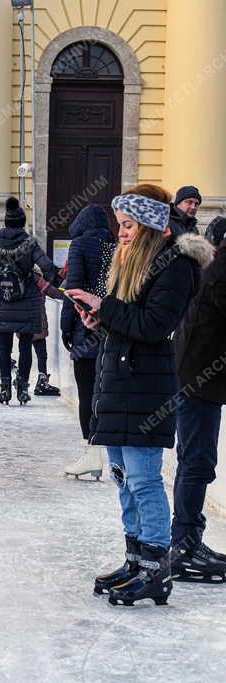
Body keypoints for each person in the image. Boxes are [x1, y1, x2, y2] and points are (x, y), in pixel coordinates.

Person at [66, 184, 212, 606]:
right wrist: (101, 321)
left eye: (128, 226)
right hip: (120, 383)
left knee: (144, 480)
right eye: (120, 226)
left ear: (149, 225)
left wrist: (103, 305)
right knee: (124, 481)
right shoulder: (136, 263)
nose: (122, 234)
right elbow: (131, 325)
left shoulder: (177, 266)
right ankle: (135, 560)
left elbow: (152, 326)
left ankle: (155, 570)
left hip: (147, 389)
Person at [170, 217, 226, 582]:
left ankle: (188, 539)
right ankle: (184, 544)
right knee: (196, 460)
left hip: (199, 376)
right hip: (198, 379)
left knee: (195, 459)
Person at [0, 197, 56, 406]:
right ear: (21, 222)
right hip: (28, 300)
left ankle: (4, 388)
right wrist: (39, 283)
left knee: (4, 346)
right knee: (26, 345)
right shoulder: (30, 243)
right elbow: (48, 268)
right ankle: (22, 389)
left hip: (4, 301)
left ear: (6, 222)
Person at [59, 205, 117, 479]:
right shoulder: (116, 244)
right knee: (105, 394)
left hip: (86, 327)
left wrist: (66, 328)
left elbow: (74, 289)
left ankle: (91, 453)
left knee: (87, 393)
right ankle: (111, 456)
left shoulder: (80, 243)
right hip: (112, 327)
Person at [31, 268, 62, 397]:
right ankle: (42, 382)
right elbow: (52, 292)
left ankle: (21, 379)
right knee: (41, 354)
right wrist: (68, 295)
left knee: (25, 353)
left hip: (21, 322)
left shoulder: (19, 275)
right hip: (36, 321)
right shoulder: (36, 278)